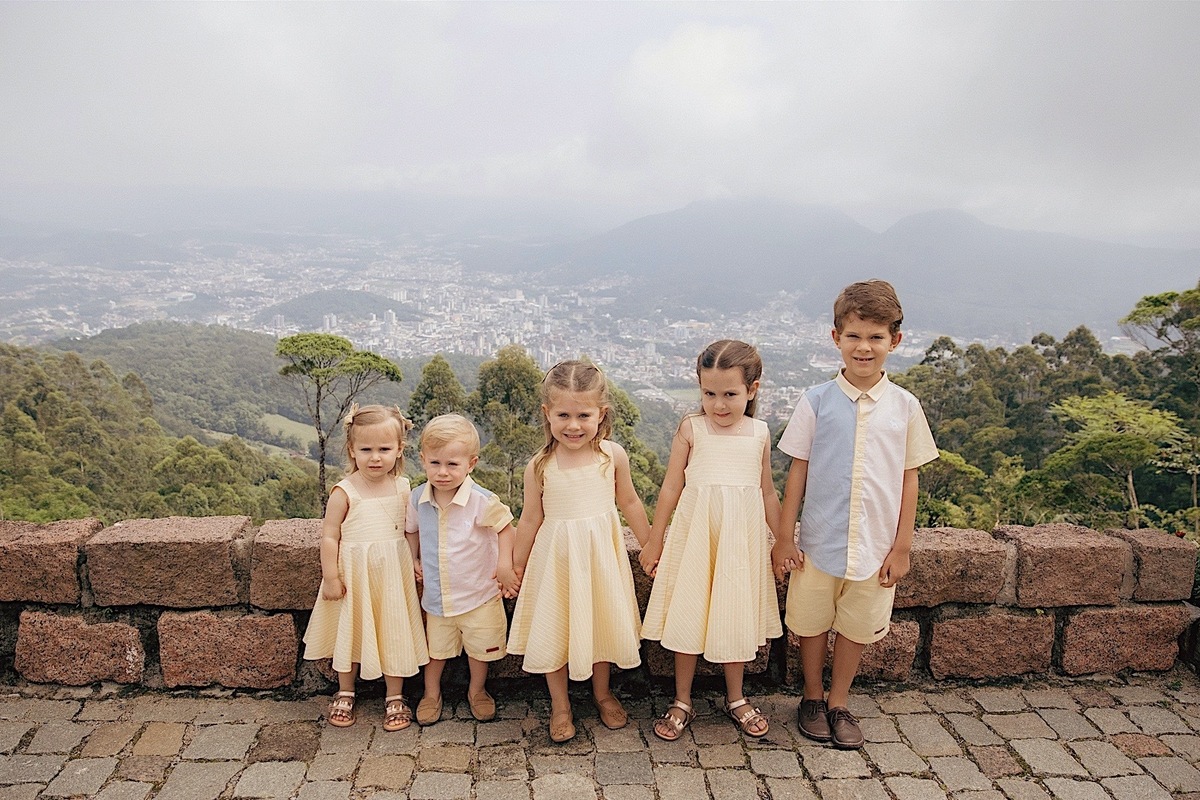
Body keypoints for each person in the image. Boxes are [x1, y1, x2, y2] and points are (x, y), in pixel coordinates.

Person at [772, 279, 938, 749]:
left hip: (875, 544)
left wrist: (902, 546)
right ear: (836, 338)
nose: (864, 347)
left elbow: (909, 478)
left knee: (857, 626)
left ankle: (839, 701)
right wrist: (784, 538)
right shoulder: (816, 401)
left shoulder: (906, 407)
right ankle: (811, 697)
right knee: (810, 622)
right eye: (854, 336)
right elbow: (798, 472)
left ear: (895, 341)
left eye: (876, 337)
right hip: (818, 541)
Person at [639, 339, 784, 741]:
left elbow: (767, 492)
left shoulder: (759, 433)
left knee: (733, 613)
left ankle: (736, 697)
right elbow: (671, 487)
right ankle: (681, 699)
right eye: (709, 394)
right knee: (689, 611)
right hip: (695, 540)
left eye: (730, 395)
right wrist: (654, 540)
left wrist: (784, 541)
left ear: (752, 390)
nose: (718, 405)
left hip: (740, 544)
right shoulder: (692, 429)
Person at [507, 360, 652, 743]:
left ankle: (602, 693)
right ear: (547, 413)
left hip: (600, 559)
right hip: (556, 562)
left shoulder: (612, 456)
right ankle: (560, 705)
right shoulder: (540, 465)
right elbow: (529, 518)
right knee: (554, 628)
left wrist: (652, 545)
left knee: (600, 622)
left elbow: (630, 502)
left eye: (583, 415)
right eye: (563, 415)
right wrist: (516, 565)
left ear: (601, 414)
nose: (573, 425)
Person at [303, 404, 428, 731]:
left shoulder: (403, 487)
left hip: (392, 575)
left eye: (384, 449)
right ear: (352, 449)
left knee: (393, 629)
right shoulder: (344, 491)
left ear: (399, 449)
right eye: (366, 450)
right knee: (351, 629)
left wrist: (414, 559)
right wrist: (331, 576)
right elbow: (330, 535)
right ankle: (345, 689)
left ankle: (395, 694)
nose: (375, 458)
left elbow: (410, 530)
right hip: (354, 575)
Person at [404, 413, 518, 726]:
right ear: (423, 460)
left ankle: (477, 690)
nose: (442, 472)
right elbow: (411, 530)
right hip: (438, 596)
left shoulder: (482, 500)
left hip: (479, 594)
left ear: (471, 464)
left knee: (480, 651)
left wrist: (504, 566)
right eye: (435, 463)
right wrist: (412, 558)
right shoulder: (417, 498)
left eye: (452, 464)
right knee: (436, 651)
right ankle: (431, 693)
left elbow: (506, 529)